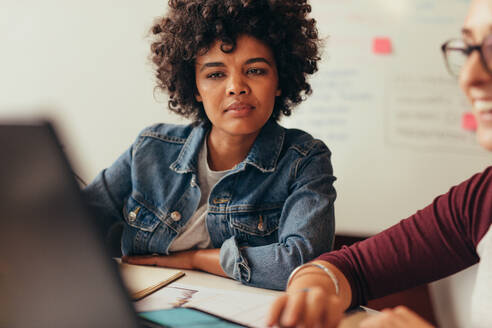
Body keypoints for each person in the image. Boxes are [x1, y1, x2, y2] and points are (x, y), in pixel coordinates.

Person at [82, 0, 336, 290]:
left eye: (255, 70)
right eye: (215, 74)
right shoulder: (150, 150)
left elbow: (302, 265)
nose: (235, 86)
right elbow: (73, 222)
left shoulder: (304, 160)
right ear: (195, 88)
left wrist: (196, 259)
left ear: (280, 80)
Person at [267, 0, 492, 326]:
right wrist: (310, 295)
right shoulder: (482, 198)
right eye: (469, 49)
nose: (470, 76)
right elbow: (350, 268)